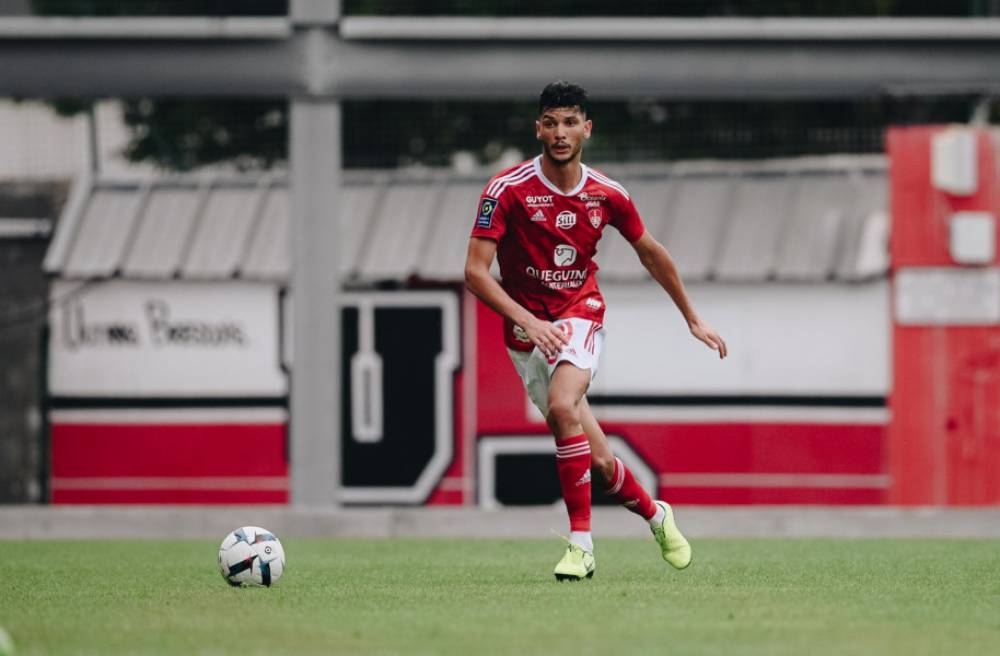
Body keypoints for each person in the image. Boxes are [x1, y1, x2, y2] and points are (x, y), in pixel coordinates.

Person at [464, 81, 728, 581]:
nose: (560, 133)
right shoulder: (506, 190)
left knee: (564, 406)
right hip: (528, 334)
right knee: (602, 465)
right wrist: (527, 320)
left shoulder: (607, 194)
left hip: (579, 314)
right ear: (538, 128)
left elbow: (650, 250)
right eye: (551, 122)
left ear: (587, 128)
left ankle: (581, 546)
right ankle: (656, 514)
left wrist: (692, 317)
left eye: (570, 122)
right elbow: (475, 273)